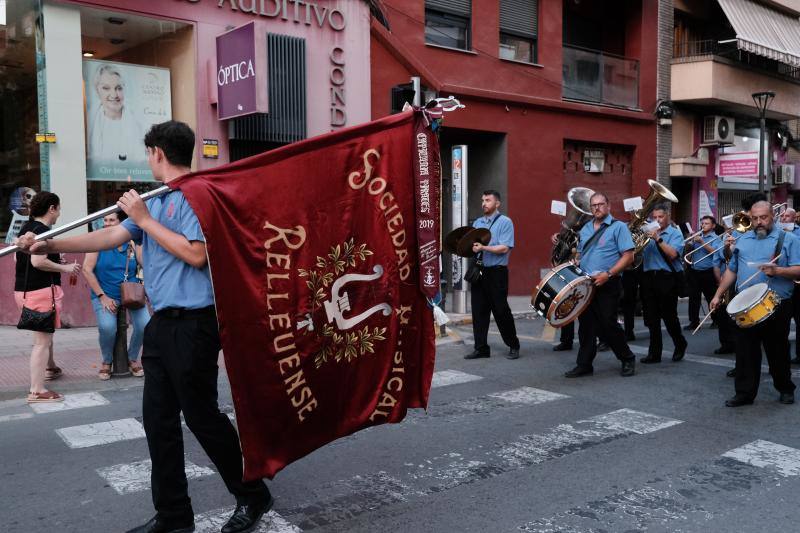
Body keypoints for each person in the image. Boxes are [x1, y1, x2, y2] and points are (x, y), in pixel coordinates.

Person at [16, 121, 272, 533]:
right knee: (158, 421)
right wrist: (49, 243)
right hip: (161, 324)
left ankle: (252, 494)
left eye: (148, 153)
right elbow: (109, 238)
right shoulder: (156, 199)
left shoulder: (197, 195)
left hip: (195, 324)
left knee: (202, 417)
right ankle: (174, 516)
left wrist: (145, 220)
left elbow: (196, 255)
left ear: (157, 153)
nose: (147, 159)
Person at [710, 201, 800, 407]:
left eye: (764, 217)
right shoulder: (742, 239)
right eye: (755, 218)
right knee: (745, 351)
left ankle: (785, 388)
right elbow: (732, 270)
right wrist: (718, 295)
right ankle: (744, 393)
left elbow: (798, 269)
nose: (759, 222)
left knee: (777, 350)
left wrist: (778, 271)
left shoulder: (789, 239)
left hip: (776, 303)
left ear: (773, 217)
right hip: (745, 304)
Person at [13, 192, 82, 403]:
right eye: (58, 209)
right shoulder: (43, 231)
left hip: (22, 290)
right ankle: (37, 390)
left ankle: (50, 367)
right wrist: (65, 268)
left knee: (44, 333)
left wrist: (55, 260)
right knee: (41, 342)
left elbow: (18, 258)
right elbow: (38, 262)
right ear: (52, 208)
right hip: (41, 291)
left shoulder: (26, 228)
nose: (59, 214)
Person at [564, 192, 636, 378]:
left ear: (608, 206)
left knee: (608, 323)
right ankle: (584, 364)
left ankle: (627, 358)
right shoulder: (586, 228)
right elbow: (581, 254)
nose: (597, 208)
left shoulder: (619, 227)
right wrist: (576, 262)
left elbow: (628, 256)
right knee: (586, 325)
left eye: (600, 204)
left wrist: (608, 274)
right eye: (593, 205)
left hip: (608, 282)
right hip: (587, 283)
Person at [82, 211, 150, 380]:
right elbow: (87, 270)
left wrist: (141, 240)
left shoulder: (132, 241)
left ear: (122, 223)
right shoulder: (97, 242)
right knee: (107, 327)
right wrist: (102, 296)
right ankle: (107, 361)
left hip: (132, 292)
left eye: (111, 220)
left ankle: (132, 358)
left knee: (145, 324)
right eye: (105, 220)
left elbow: (144, 263)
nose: (107, 223)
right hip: (104, 294)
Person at [465, 190, 521, 360]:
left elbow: (504, 248)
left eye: (488, 200)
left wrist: (483, 248)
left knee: (501, 310)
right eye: (483, 200)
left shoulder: (505, 222)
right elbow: (472, 246)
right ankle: (481, 348)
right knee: (478, 311)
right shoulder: (478, 223)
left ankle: (513, 345)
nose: (484, 203)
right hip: (480, 272)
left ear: (497, 203)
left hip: (497, 273)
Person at [639, 205, 688, 364]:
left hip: (667, 278)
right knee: (651, 318)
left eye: (660, 217)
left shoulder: (675, 233)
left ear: (668, 216)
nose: (657, 220)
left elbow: (673, 254)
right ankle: (654, 353)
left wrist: (658, 238)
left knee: (669, 316)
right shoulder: (646, 233)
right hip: (648, 277)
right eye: (654, 217)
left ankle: (680, 343)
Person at [87, 64, 146, 165]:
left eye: (119, 88)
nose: (114, 95)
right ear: (97, 90)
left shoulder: (140, 124)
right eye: (106, 88)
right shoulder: (88, 122)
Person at [684, 216, 722, 332]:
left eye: (706, 223)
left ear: (713, 226)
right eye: (702, 223)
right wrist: (689, 242)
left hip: (708, 271)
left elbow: (715, 252)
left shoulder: (716, 238)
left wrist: (702, 242)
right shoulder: (698, 236)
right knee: (693, 298)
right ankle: (694, 322)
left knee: (711, 296)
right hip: (694, 270)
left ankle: (716, 320)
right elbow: (688, 251)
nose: (703, 225)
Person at [779, 207, 800, 365]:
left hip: (797, 280)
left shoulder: (798, 233)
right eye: (782, 216)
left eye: (787, 216)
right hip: (782, 281)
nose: (784, 218)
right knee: (781, 322)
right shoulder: (776, 232)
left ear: (794, 218)